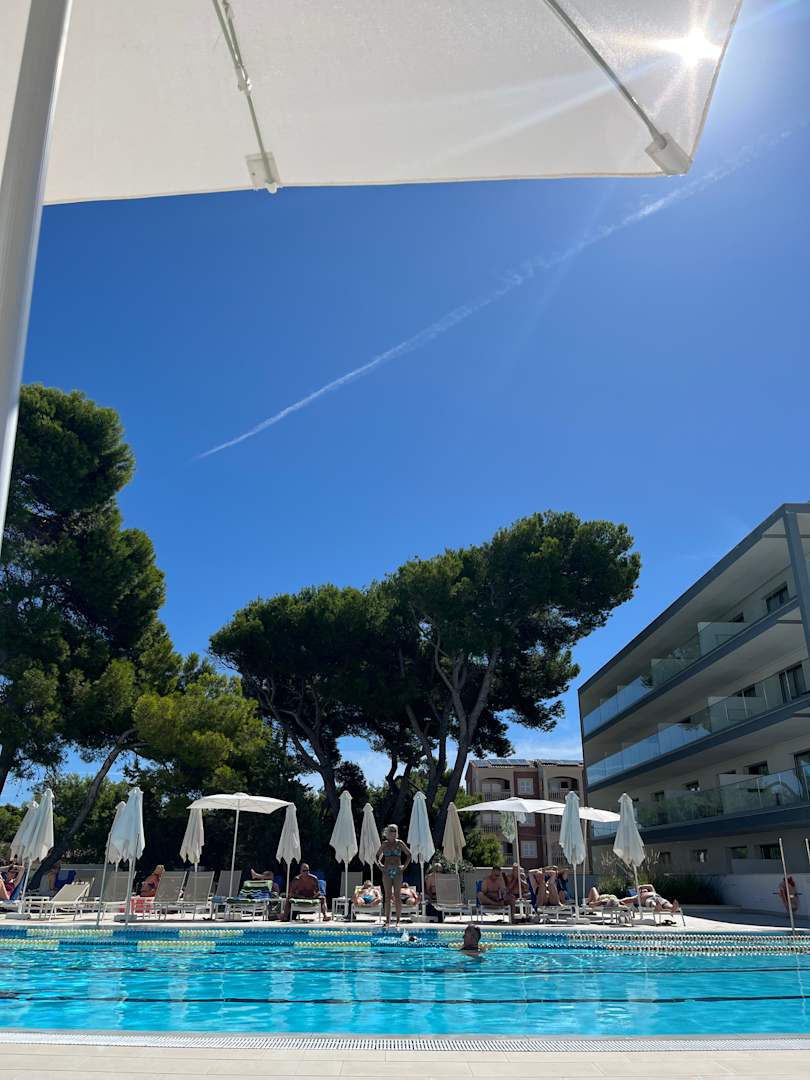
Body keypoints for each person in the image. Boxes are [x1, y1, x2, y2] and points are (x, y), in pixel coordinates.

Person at [375, 824, 412, 927]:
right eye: (391, 830)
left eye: (395, 831)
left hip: (397, 871)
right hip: (387, 871)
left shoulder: (399, 843)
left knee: (397, 896)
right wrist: (380, 866)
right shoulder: (385, 844)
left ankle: (398, 920)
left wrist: (404, 866)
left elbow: (409, 855)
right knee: (387, 896)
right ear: (387, 832)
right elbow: (377, 856)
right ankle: (387, 920)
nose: (393, 833)